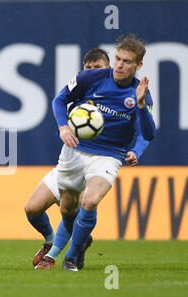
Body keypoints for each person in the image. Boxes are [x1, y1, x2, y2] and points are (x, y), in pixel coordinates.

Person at [44, 34, 155, 272]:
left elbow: (148, 132)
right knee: (66, 209)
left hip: (109, 154)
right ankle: (79, 243)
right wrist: (63, 127)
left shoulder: (139, 93)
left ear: (138, 66)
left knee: (90, 200)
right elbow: (59, 100)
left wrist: (142, 108)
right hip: (74, 149)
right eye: (118, 59)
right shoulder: (90, 78)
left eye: (127, 61)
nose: (120, 65)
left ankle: (71, 257)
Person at [26, 48, 113, 267]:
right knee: (32, 209)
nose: (92, 72)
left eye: (98, 68)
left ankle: (55, 255)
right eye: (89, 68)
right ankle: (53, 240)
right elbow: (58, 101)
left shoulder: (113, 98)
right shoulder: (80, 88)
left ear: (108, 69)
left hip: (92, 163)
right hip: (67, 161)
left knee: (70, 210)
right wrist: (63, 126)